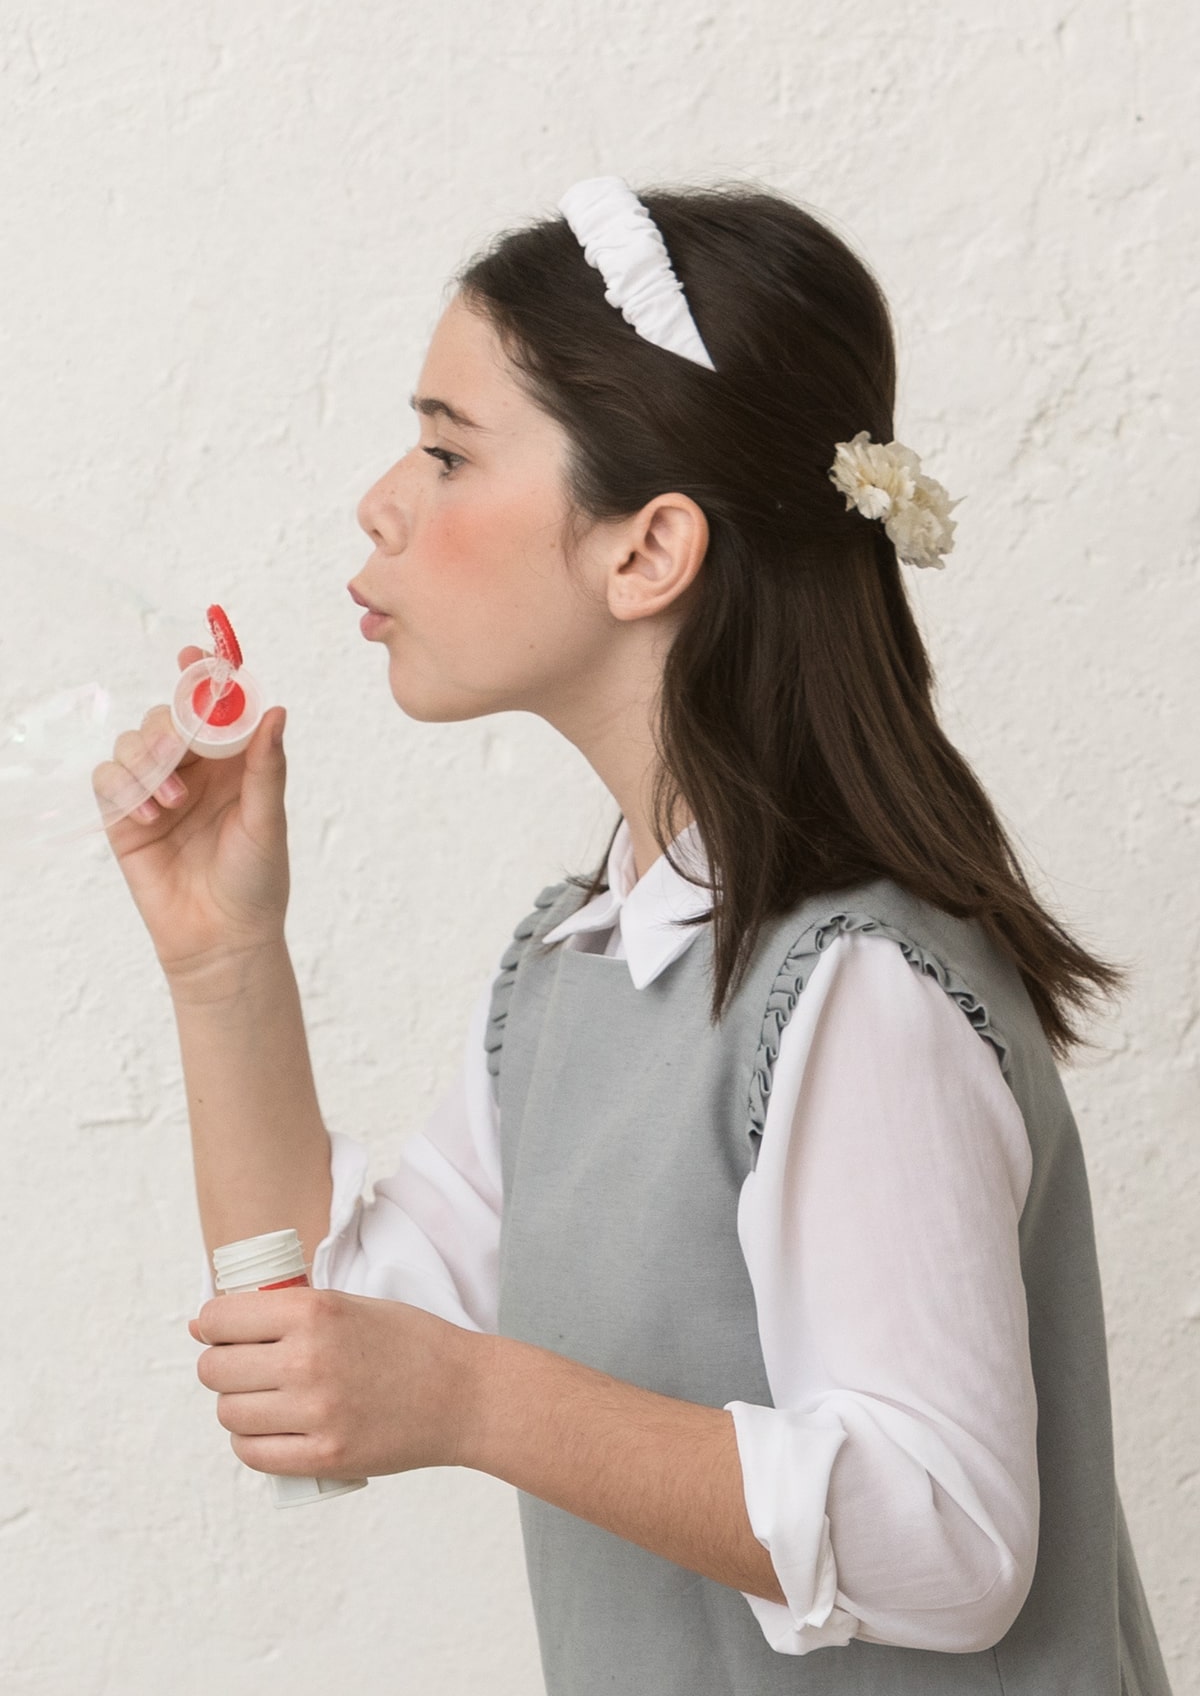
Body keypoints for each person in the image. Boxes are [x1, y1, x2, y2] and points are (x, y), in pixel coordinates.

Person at [97, 175, 1174, 1695]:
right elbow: (330, 1346)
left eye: (448, 450)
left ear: (647, 551)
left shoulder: (853, 986)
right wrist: (222, 962)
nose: (382, 502)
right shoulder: (576, 969)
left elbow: (948, 1541)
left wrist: (476, 1404)